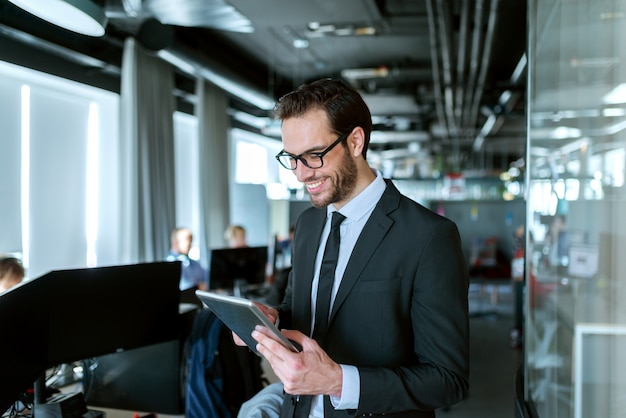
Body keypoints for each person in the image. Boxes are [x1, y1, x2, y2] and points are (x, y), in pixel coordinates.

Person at [235, 78, 469, 418]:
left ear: (355, 142)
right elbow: (299, 308)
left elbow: (448, 380)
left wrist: (338, 382)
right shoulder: (308, 224)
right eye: (292, 158)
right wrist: (271, 319)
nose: (300, 174)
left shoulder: (429, 237)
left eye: (314, 156)